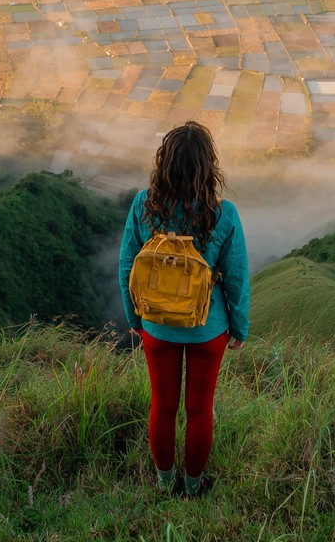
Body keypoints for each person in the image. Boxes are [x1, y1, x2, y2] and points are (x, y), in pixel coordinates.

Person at [117, 120, 249, 498]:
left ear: (164, 162)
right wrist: (239, 327)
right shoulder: (224, 215)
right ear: (209, 167)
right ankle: (193, 487)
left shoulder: (144, 206)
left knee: (162, 406)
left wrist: (135, 319)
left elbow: (128, 266)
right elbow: (237, 277)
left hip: (157, 326)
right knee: (199, 410)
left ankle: (163, 483)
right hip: (209, 330)